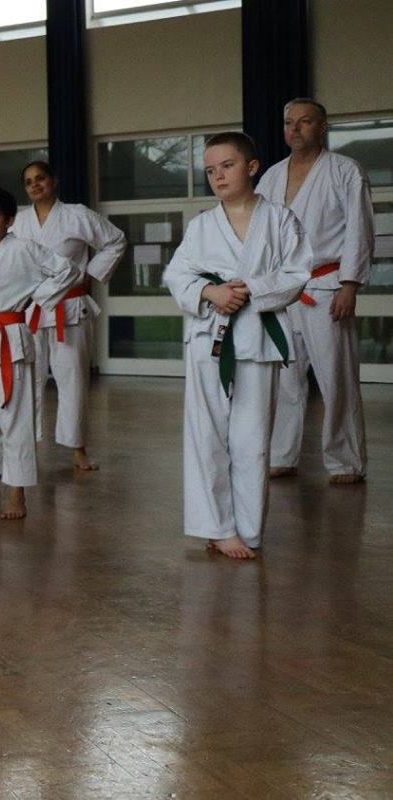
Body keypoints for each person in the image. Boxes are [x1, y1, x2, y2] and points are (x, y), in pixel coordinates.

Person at [163, 132, 311, 559]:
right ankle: (216, 526)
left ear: (251, 167)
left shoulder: (281, 220)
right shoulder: (201, 226)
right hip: (209, 336)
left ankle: (247, 528)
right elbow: (177, 275)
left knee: (253, 439)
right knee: (205, 434)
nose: (217, 176)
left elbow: (297, 272)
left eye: (226, 165)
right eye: (209, 170)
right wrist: (211, 294)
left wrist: (248, 290)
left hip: (258, 338)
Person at [255, 98, 373, 484]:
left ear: (322, 126)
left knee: (335, 377)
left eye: (305, 122)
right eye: (289, 122)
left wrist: (349, 285)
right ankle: (282, 454)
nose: (295, 129)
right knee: (285, 377)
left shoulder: (345, 171)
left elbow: (359, 229)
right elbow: (262, 235)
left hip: (327, 286)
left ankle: (346, 460)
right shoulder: (271, 176)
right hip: (284, 289)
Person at [0, 187, 78, 520]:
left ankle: (17, 492)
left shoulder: (25, 249)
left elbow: (69, 271)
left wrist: (39, 295)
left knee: (16, 417)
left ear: (9, 221)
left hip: (13, 339)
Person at [12, 161, 126, 470]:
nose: (35, 185)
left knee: (73, 379)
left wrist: (91, 272)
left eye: (40, 179)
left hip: (70, 308)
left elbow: (115, 240)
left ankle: (77, 448)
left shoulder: (77, 215)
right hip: (31, 309)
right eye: (29, 181)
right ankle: (27, 444)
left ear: (54, 181)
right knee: (27, 380)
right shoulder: (19, 223)